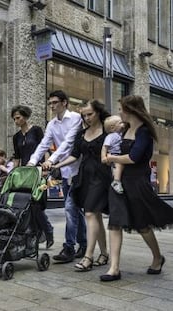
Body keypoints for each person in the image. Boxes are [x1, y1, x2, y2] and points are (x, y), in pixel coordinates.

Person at [102, 95, 173, 282]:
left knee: (142, 226)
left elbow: (133, 157)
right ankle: (114, 268)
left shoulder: (144, 132)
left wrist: (111, 158)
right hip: (120, 181)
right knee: (115, 223)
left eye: (121, 109)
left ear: (131, 110)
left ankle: (157, 257)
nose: (118, 112)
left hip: (138, 183)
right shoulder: (124, 129)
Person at [28, 90, 87, 263]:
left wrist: (51, 160)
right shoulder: (52, 124)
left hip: (79, 169)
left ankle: (69, 247)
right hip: (66, 171)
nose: (52, 106)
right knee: (75, 209)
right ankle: (83, 244)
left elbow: (68, 142)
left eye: (55, 102)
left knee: (70, 208)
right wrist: (32, 162)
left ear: (65, 103)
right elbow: (44, 144)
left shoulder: (76, 118)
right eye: (50, 103)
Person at [53, 99, 112, 271]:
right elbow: (74, 155)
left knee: (90, 213)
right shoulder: (81, 134)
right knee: (96, 216)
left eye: (90, 114)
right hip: (84, 178)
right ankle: (104, 253)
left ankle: (88, 256)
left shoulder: (108, 132)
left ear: (98, 112)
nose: (86, 118)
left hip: (101, 178)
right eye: (84, 115)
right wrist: (56, 165)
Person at [11, 105, 54, 248]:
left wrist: (46, 167)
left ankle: (47, 231)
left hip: (39, 171)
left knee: (36, 204)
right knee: (26, 204)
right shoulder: (16, 137)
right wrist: (13, 174)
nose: (16, 120)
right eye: (14, 118)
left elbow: (45, 149)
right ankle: (33, 235)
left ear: (25, 116)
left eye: (18, 117)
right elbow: (17, 158)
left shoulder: (36, 130)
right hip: (24, 174)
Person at [101, 115, 125, 193]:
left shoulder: (120, 135)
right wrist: (103, 157)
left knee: (120, 166)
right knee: (118, 165)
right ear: (112, 127)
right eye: (120, 123)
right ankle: (116, 181)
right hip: (114, 154)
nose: (123, 124)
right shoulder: (111, 136)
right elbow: (105, 147)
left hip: (119, 154)